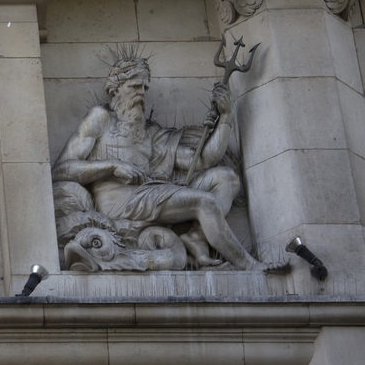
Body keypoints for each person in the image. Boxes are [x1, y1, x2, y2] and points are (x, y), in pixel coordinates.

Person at [52, 55, 275, 271]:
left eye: (145, 88)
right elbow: (62, 170)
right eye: (134, 86)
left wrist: (225, 118)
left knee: (226, 178)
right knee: (203, 202)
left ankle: (196, 236)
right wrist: (111, 166)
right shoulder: (101, 119)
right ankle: (248, 264)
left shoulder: (151, 133)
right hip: (120, 202)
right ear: (114, 90)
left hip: (150, 194)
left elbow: (204, 159)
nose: (141, 93)